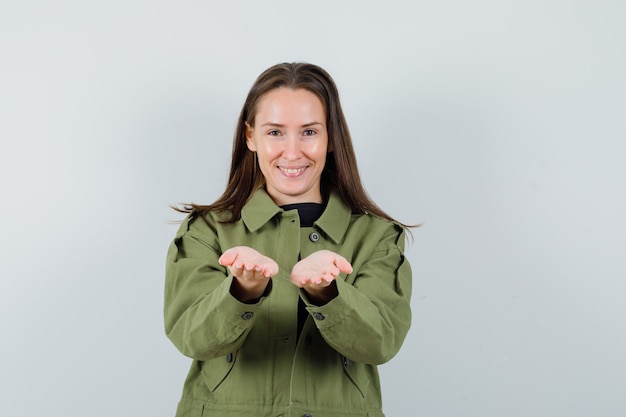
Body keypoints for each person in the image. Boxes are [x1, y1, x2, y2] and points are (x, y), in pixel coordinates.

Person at [164, 62, 414, 417]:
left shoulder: (376, 237)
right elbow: (190, 336)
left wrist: (329, 292)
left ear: (331, 139)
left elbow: (381, 343)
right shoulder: (207, 230)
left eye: (309, 132)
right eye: (275, 132)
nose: (293, 152)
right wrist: (241, 290)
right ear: (251, 136)